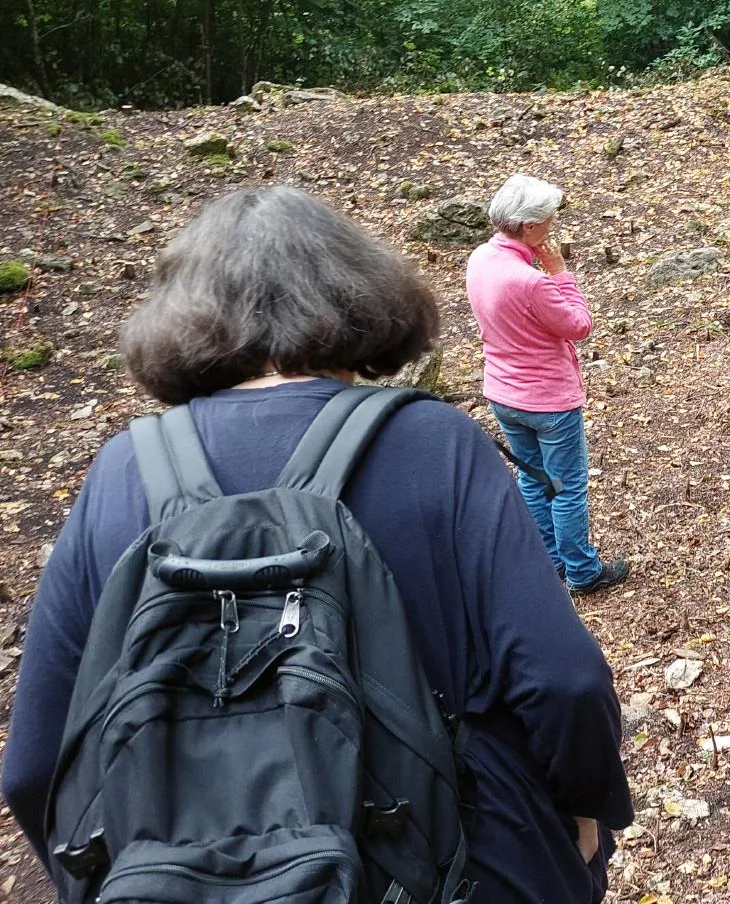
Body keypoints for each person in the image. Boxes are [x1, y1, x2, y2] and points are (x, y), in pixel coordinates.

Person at [1, 187, 634, 902]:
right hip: (457, 859)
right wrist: (586, 812)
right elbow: (564, 680)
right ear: (359, 295)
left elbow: (35, 766)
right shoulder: (435, 444)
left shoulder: (121, 473)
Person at [467, 174, 629, 595]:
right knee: (567, 488)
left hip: (503, 393)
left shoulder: (480, 258)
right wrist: (559, 271)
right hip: (548, 401)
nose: (553, 224)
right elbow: (579, 325)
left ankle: (549, 560)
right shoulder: (531, 282)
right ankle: (583, 571)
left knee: (534, 479)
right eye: (548, 219)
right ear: (529, 226)